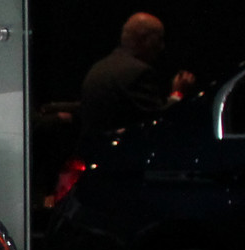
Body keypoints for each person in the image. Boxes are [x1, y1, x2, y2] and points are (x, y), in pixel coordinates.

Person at [76, 12, 190, 153]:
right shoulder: (139, 72)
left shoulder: (100, 66)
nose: (161, 47)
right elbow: (157, 119)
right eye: (159, 40)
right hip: (120, 156)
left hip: (93, 151)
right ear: (145, 39)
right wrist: (178, 93)